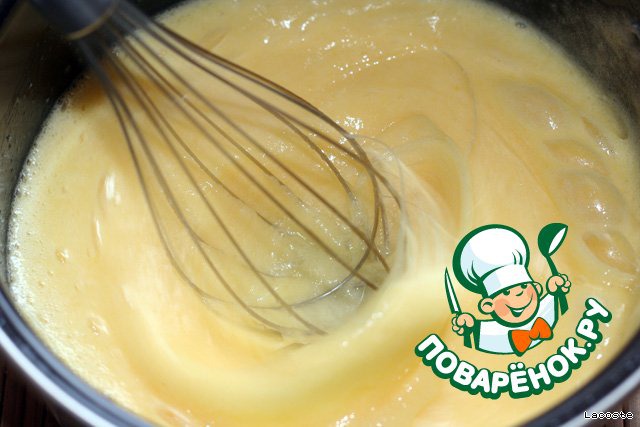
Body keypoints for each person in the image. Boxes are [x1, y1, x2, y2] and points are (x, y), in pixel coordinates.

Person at [450, 225, 571, 356]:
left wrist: (556, 290)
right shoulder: (490, 334)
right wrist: (468, 327)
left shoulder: (547, 309)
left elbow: (559, 306)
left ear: (537, 288)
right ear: (488, 306)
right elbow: (472, 338)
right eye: (506, 292)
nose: (519, 294)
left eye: (524, 286)